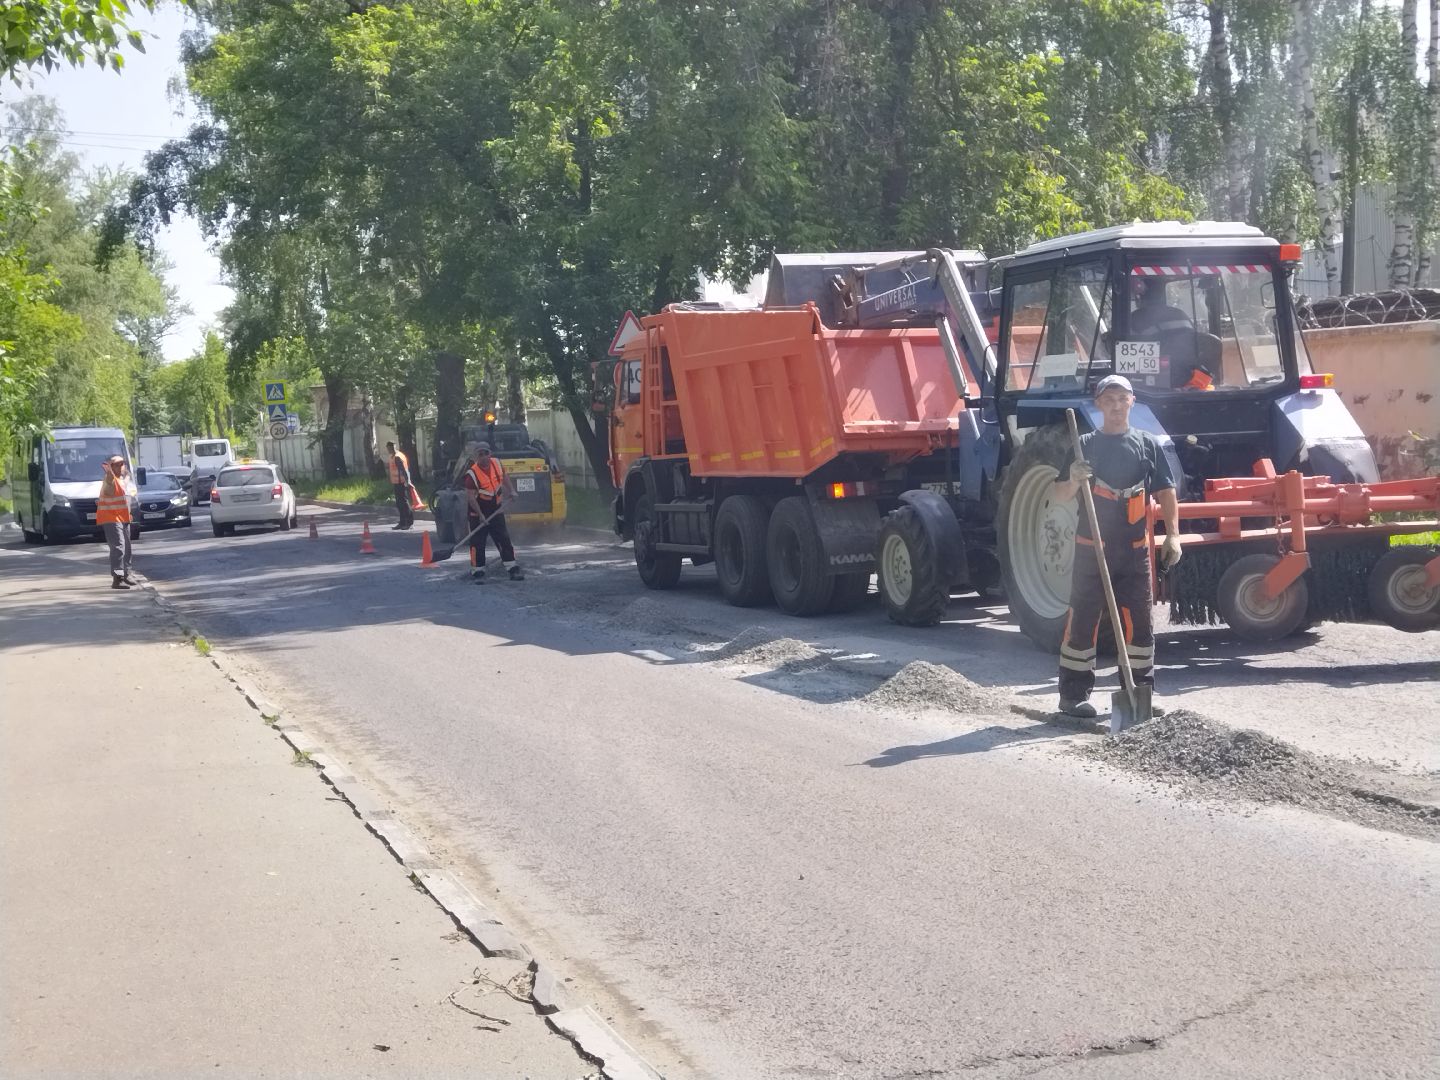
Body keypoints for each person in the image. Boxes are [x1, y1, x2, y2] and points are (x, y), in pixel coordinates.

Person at [1050, 376, 1183, 718]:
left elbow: (1166, 492)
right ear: (1098, 404)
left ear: (1132, 402)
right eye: (1108, 399)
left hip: (1135, 550)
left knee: (1140, 624)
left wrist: (1173, 535)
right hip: (1091, 548)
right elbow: (1059, 496)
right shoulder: (1084, 445)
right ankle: (1072, 697)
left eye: (1121, 399)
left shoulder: (1146, 444)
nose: (1115, 405)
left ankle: (1140, 694)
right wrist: (1073, 478)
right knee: (1082, 621)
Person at [461, 442, 523, 583]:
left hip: (495, 508)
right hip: (477, 511)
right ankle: (478, 572)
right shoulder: (471, 474)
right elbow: (470, 498)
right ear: (476, 457)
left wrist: (511, 491)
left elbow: (504, 477)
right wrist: (481, 516)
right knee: (478, 542)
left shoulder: (497, 464)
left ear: (490, 454)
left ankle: (512, 568)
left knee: (503, 538)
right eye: (480, 455)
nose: (483, 457)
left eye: (486, 453)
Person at [96, 455, 135, 591]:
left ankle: (126, 574)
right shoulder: (110, 480)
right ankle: (117, 579)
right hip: (111, 518)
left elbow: (127, 499)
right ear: (111, 467)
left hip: (123, 518)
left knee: (127, 548)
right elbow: (109, 485)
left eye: (122, 464)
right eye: (116, 465)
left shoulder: (123, 480)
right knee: (118, 547)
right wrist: (109, 473)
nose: (120, 466)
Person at [386, 441, 414, 530]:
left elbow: (404, 470)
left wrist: (408, 481)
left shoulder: (398, 457)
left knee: (404, 503)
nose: (389, 450)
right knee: (399, 503)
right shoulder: (393, 456)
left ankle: (409, 522)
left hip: (402, 483)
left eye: (390, 448)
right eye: (388, 448)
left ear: (393, 447)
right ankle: (402, 522)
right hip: (397, 483)